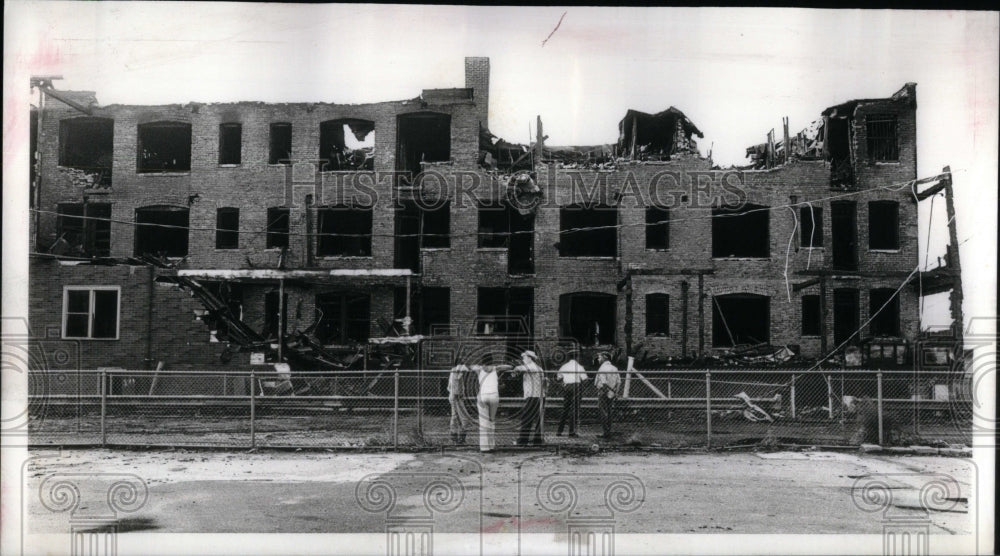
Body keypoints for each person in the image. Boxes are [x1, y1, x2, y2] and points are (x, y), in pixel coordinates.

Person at [513, 350, 545, 446]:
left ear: (530, 358)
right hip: (537, 396)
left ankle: (523, 441)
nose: (523, 359)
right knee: (537, 419)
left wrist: (515, 368)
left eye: (524, 357)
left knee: (526, 418)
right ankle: (537, 441)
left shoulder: (532, 366)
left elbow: (520, 368)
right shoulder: (536, 367)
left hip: (533, 396)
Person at [556, 356, 588, 437]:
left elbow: (558, 378)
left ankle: (559, 431)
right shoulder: (579, 366)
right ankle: (571, 432)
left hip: (567, 387)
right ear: (577, 358)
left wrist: (563, 382)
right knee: (574, 409)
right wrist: (583, 387)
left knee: (565, 408)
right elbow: (585, 379)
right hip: (576, 387)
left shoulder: (564, 366)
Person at [473, 364, 501, 452]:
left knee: (483, 422)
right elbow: (509, 367)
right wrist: (496, 367)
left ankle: (485, 447)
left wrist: (478, 366)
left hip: (483, 395)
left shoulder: (479, 369)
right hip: (494, 395)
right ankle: (492, 446)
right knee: (492, 421)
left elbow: (469, 366)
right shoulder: (495, 369)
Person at [593, 352, 621, 438]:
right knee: (609, 411)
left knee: (603, 411)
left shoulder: (602, 368)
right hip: (612, 392)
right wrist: (615, 392)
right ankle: (609, 430)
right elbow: (619, 382)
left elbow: (604, 382)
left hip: (604, 391)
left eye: (599, 357)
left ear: (604, 358)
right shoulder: (614, 368)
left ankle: (606, 432)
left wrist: (607, 391)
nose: (598, 359)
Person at [447, 364, 471, 444]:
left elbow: (450, 387)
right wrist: (457, 396)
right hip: (456, 398)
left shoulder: (454, 371)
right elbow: (455, 386)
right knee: (464, 419)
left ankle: (454, 439)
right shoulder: (456, 371)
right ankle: (460, 439)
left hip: (455, 397)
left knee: (455, 417)